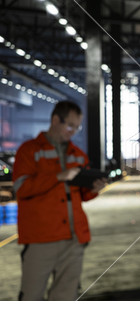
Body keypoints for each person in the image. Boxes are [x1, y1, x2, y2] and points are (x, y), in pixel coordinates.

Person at [13, 101, 107, 301]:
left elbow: (81, 195)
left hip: (73, 240)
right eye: (70, 125)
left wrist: (94, 189)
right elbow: (21, 189)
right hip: (41, 240)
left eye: (77, 127)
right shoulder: (29, 151)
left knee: (65, 297)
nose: (73, 131)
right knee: (31, 297)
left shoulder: (78, 155)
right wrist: (58, 176)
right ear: (56, 120)